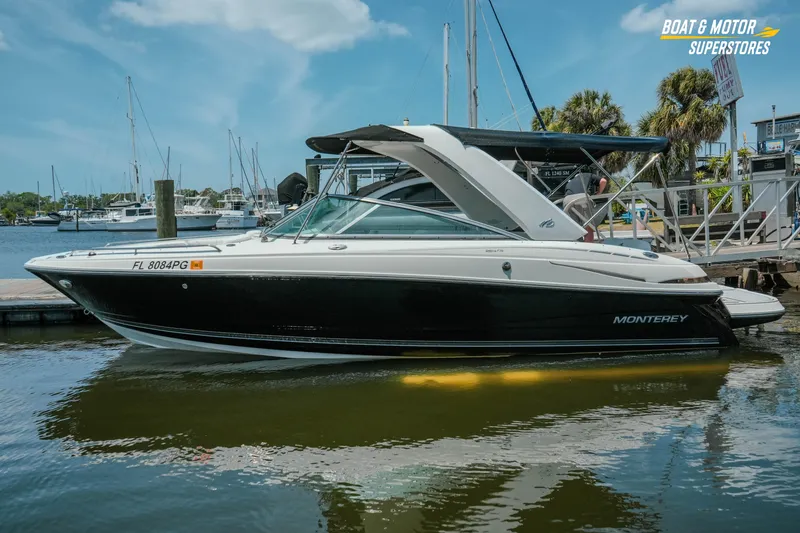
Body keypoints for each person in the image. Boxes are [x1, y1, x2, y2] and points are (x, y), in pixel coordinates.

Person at [562, 171, 608, 243]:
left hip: (567, 199)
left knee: (574, 227)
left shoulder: (570, 181)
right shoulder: (587, 175)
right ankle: (589, 246)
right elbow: (603, 181)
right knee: (588, 226)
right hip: (582, 198)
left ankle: (577, 246)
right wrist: (599, 193)